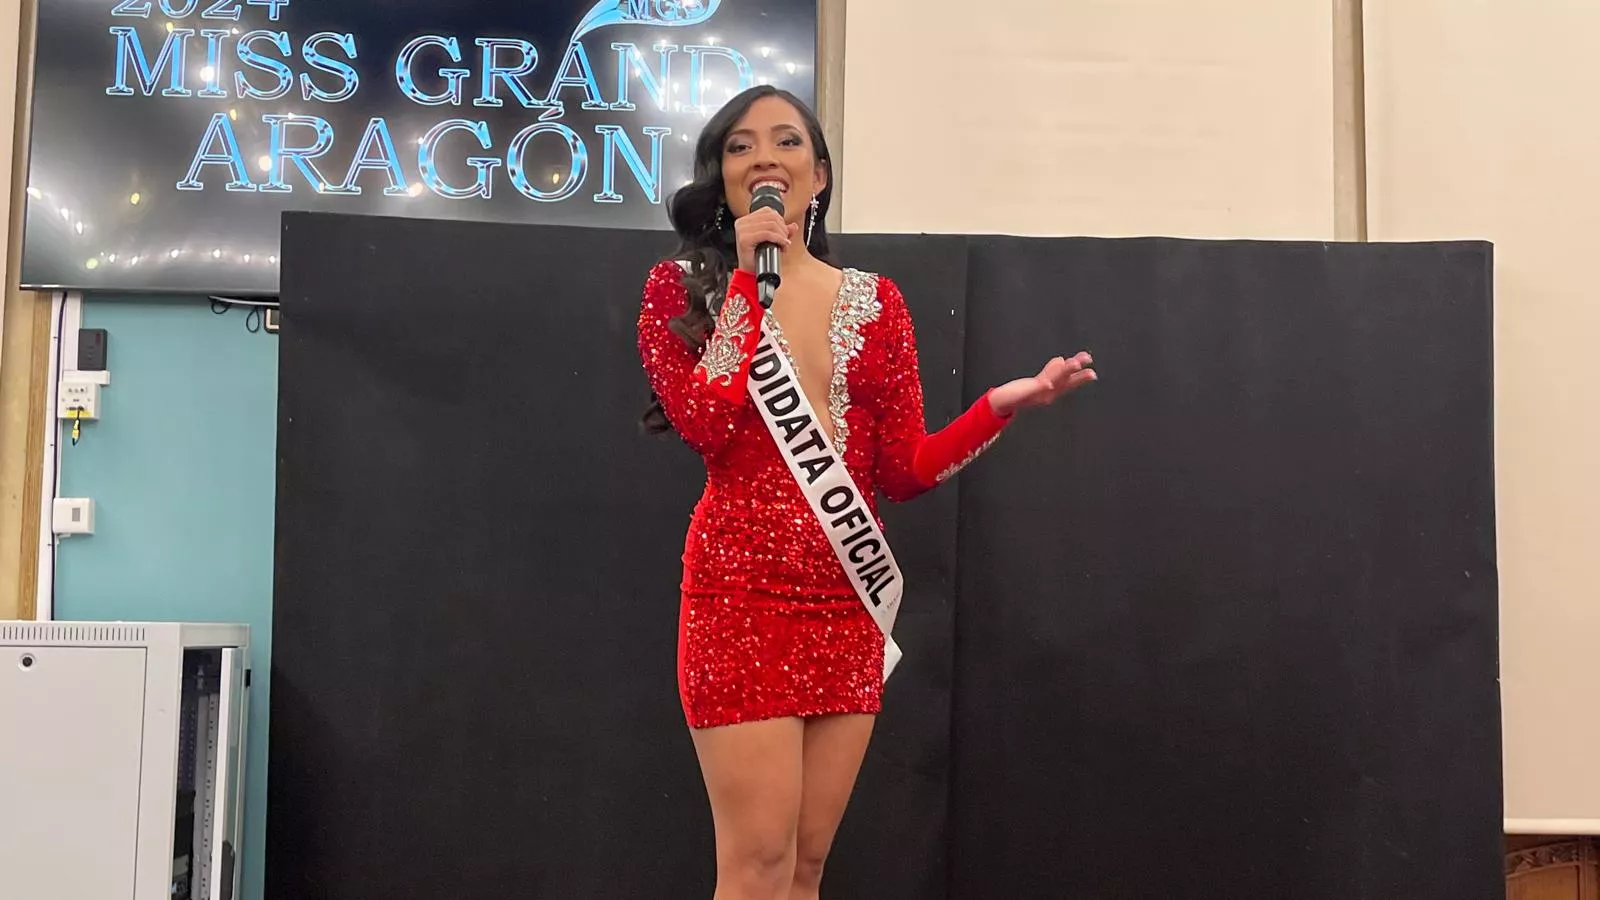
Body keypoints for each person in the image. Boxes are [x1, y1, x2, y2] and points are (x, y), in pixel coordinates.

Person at [636, 85, 1095, 900]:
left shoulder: (877, 303)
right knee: (756, 863)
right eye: (741, 145)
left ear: (819, 175)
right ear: (721, 175)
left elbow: (902, 473)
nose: (765, 157)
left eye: (786, 141)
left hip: (845, 602)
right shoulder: (679, 291)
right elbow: (705, 423)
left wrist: (997, 408)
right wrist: (744, 283)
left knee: (806, 868)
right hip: (741, 597)